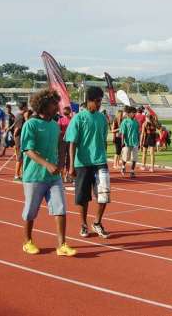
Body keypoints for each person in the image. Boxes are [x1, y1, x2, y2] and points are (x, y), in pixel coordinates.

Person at [20, 89, 76, 257]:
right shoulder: (31, 124)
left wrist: (60, 163)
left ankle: (62, 245)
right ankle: (27, 241)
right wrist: (46, 164)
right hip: (34, 176)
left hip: (53, 177)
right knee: (31, 210)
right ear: (43, 105)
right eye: (54, 104)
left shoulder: (54, 124)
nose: (57, 107)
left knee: (61, 208)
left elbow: (60, 143)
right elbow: (27, 150)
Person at [65, 86, 110, 239]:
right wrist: (71, 165)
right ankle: (83, 224)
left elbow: (103, 140)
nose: (99, 104)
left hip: (100, 161)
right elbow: (72, 143)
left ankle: (97, 222)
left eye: (100, 101)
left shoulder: (102, 118)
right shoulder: (78, 118)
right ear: (89, 100)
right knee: (83, 197)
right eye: (97, 101)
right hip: (82, 163)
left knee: (104, 195)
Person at [119, 106, 140, 178]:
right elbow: (123, 133)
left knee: (134, 158)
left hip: (135, 143)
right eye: (133, 113)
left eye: (135, 113)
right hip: (127, 143)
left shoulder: (136, 122)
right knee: (125, 157)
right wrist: (122, 142)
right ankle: (123, 166)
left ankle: (132, 171)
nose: (134, 114)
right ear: (129, 113)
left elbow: (138, 133)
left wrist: (139, 142)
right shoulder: (125, 122)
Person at [12, 102, 28, 181]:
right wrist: (15, 139)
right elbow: (17, 129)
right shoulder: (21, 117)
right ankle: (16, 175)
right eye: (27, 106)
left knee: (22, 157)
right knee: (20, 158)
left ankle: (21, 173)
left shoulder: (18, 115)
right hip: (20, 139)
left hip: (20, 139)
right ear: (24, 107)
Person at [58, 105, 73, 183]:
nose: (66, 115)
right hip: (62, 141)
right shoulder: (60, 120)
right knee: (62, 158)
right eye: (65, 113)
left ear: (70, 112)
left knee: (70, 158)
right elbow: (58, 130)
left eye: (67, 113)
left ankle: (68, 175)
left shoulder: (73, 120)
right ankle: (61, 175)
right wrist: (64, 132)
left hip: (70, 141)